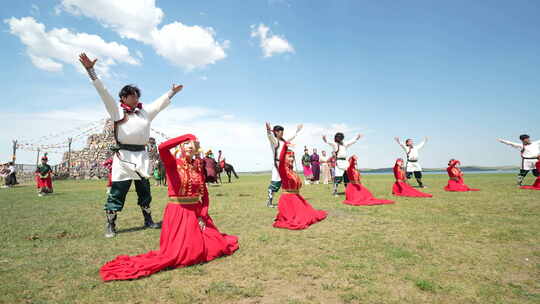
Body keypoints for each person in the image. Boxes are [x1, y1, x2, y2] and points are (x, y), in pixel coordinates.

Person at [99, 134, 239, 281]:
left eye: (193, 144)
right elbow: (162, 148)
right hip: (179, 213)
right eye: (186, 144)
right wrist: (186, 137)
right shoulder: (172, 163)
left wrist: (202, 215)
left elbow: (204, 193)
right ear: (180, 147)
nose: (190, 147)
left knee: (218, 245)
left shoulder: (198, 165)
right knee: (187, 255)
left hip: (196, 213)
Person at [79, 53, 183, 238]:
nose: (136, 99)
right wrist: (91, 70)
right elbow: (103, 92)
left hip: (141, 157)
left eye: (137, 96)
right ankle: (111, 225)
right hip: (124, 158)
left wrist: (172, 92)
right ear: (124, 98)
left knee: (145, 190)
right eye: (132, 96)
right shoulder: (116, 111)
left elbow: (159, 104)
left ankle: (148, 219)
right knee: (117, 192)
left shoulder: (144, 113)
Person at [273, 142, 327, 230]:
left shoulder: (292, 171)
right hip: (288, 201)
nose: (292, 159)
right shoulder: (283, 170)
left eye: (293, 157)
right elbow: (281, 159)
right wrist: (285, 146)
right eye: (289, 157)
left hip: (297, 198)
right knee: (301, 220)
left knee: (312, 215)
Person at [265, 123, 303, 208]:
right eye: (279, 131)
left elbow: (291, 137)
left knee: (289, 181)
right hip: (277, 164)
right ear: (276, 132)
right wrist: (268, 131)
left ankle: (290, 200)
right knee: (275, 183)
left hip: (285, 164)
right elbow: (270, 137)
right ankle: (269, 202)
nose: (281, 133)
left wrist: (297, 130)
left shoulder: (284, 141)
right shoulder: (275, 142)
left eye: (282, 131)